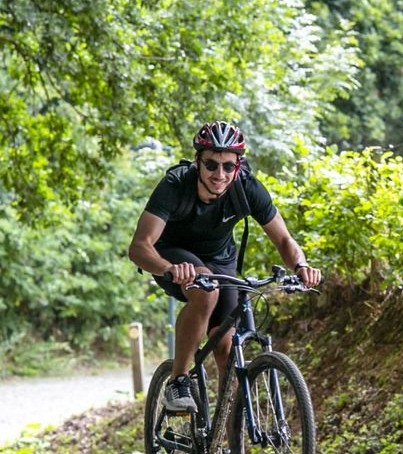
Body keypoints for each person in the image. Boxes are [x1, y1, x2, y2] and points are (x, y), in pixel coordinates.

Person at [127, 120, 322, 413]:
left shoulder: (246, 187)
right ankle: (179, 380)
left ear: (238, 165)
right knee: (206, 289)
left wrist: (301, 265)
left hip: (220, 260)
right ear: (198, 161)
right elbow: (140, 246)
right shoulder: (175, 185)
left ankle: (230, 441)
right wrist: (168, 267)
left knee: (225, 344)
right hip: (172, 255)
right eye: (211, 165)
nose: (219, 174)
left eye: (228, 166)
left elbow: (283, 239)